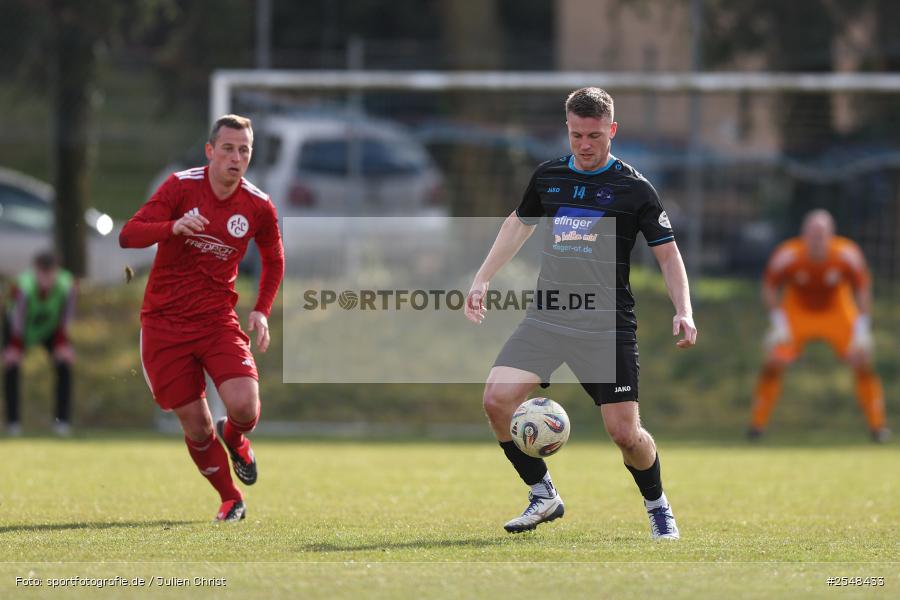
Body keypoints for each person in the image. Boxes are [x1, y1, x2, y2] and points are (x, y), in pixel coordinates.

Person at [465, 87, 697, 539]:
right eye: (576, 136)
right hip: (548, 317)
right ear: (566, 130)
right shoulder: (548, 176)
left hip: (605, 327)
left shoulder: (635, 189)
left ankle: (658, 505)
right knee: (496, 400)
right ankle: (543, 495)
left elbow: (668, 257)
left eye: (594, 135)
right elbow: (518, 224)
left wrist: (683, 310)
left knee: (625, 434)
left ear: (612, 130)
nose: (585, 145)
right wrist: (482, 277)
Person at [120, 114, 285, 522]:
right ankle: (231, 499)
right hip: (164, 322)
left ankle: (235, 435)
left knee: (245, 406)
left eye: (244, 150)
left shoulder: (258, 205)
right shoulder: (180, 186)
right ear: (210, 151)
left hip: (215, 320)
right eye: (227, 148)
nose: (235, 157)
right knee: (195, 423)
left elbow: (274, 258)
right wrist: (173, 226)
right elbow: (129, 234)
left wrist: (262, 310)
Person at [749, 209, 889, 443]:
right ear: (804, 234)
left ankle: (878, 427)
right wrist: (778, 322)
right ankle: (756, 426)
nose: (817, 239)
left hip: (837, 311)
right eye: (812, 233)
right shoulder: (788, 254)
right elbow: (769, 286)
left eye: (822, 234)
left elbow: (862, 288)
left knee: (862, 359)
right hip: (797, 312)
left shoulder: (847, 253)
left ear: (831, 235)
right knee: (774, 360)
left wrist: (862, 327)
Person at [2, 251, 76, 436]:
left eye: (50, 273)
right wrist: (15, 346)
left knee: (64, 365)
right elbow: (16, 317)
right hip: (18, 330)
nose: (46, 279)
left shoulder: (67, 285)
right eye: (42, 273)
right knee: (11, 366)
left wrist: (62, 342)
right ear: (35, 270)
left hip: (50, 328)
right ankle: (13, 423)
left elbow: (66, 315)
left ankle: (62, 422)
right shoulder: (24, 286)